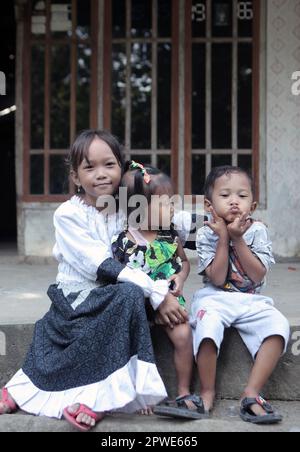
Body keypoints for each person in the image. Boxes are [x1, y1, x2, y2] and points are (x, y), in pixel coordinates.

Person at [0, 130, 193, 431]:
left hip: (116, 298)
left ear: (122, 168)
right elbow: (102, 265)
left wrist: (218, 223)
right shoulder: (68, 215)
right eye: (89, 167)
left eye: (109, 165)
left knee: (127, 298)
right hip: (79, 299)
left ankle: (96, 398)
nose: (101, 175)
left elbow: (170, 218)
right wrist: (158, 295)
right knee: (127, 297)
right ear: (76, 177)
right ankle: (26, 391)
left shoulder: (128, 206)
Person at [190, 166, 290, 424]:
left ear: (253, 205)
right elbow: (217, 278)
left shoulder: (257, 231)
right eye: (225, 195)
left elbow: (257, 276)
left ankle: (251, 393)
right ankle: (207, 392)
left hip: (252, 300)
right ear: (209, 205)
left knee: (278, 326)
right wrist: (224, 238)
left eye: (241, 196)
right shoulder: (205, 234)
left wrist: (239, 240)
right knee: (207, 324)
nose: (234, 201)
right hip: (214, 297)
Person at [112, 161, 205, 419]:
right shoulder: (123, 242)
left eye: (172, 201)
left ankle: (183, 390)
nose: (172, 207)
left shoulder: (170, 234)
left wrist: (181, 277)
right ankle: (140, 392)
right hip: (137, 306)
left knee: (184, 334)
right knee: (132, 339)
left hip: (171, 302)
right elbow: (120, 281)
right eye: (164, 203)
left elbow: (184, 263)